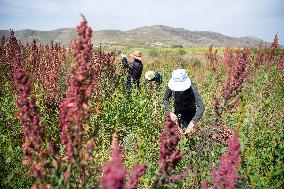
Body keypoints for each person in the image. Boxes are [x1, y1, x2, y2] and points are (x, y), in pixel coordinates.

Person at [163, 69, 204, 134]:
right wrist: (170, 112)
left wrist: (193, 122)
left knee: (189, 134)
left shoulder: (192, 88)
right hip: (178, 111)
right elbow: (165, 99)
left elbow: (201, 107)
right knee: (177, 133)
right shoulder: (171, 85)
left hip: (190, 113)